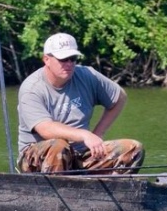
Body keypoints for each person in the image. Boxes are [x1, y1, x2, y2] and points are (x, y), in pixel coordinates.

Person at [16, 33, 144, 174]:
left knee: (133, 148)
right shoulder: (32, 89)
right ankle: (55, 187)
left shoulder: (87, 76)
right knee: (59, 145)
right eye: (63, 59)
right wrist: (85, 135)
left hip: (80, 155)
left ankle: (109, 187)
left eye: (73, 58)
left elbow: (120, 97)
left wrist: (98, 134)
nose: (69, 64)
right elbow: (45, 129)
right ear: (46, 59)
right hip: (36, 159)